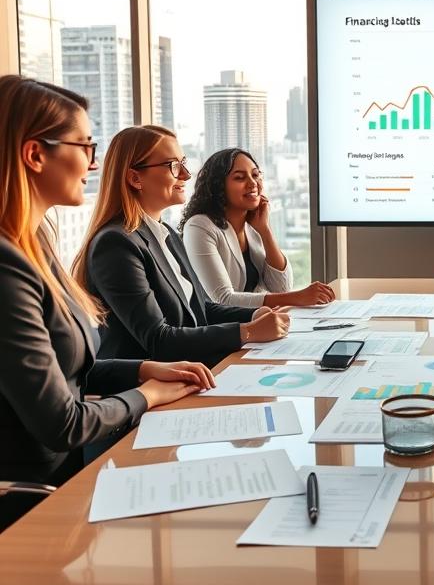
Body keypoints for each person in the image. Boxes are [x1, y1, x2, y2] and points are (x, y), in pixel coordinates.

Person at [0, 76, 214, 531]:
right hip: (34, 503)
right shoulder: (6, 266)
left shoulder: (33, 242)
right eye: (85, 147)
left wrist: (141, 370)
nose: (94, 165)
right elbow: (63, 422)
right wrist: (146, 395)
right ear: (36, 154)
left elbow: (64, 368)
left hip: (67, 484)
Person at [74, 126, 289, 367]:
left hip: (191, 371)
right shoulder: (115, 245)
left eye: (184, 163)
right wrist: (247, 331)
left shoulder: (167, 234)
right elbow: (158, 339)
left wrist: (254, 315)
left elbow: (201, 309)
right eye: (173, 166)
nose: (186, 174)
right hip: (150, 388)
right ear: (135, 178)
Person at [179, 148, 335, 307]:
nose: (253, 183)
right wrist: (298, 297)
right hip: (221, 329)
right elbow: (222, 299)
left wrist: (265, 231)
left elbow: (281, 288)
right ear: (218, 186)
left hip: (257, 323)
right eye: (239, 178)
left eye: (255, 175)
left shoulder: (253, 225)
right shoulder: (199, 227)